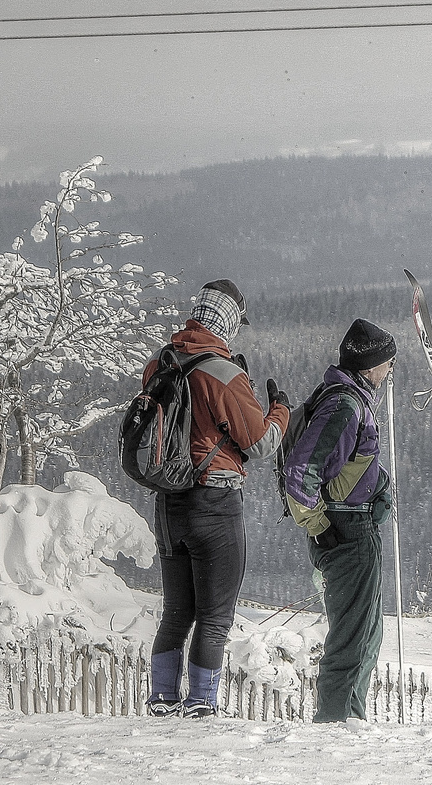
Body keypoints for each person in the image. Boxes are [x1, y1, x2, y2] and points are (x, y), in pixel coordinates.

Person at [147, 279, 289, 718]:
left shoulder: (160, 363)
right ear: (229, 321)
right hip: (215, 502)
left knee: (176, 614)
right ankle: (201, 704)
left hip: (169, 502)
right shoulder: (224, 372)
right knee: (214, 617)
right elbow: (260, 443)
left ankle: (163, 700)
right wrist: (280, 409)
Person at [282, 319, 396, 724]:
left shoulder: (348, 399)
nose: (389, 371)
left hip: (353, 525)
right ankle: (337, 725)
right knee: (352, 639)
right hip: (346, 530)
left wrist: (378, 487)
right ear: (369, 366)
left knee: (365, 636)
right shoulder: (345, 404)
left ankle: (350, 719)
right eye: (387, 363)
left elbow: (347, 465)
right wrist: (320, 527)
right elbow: (301, 472)